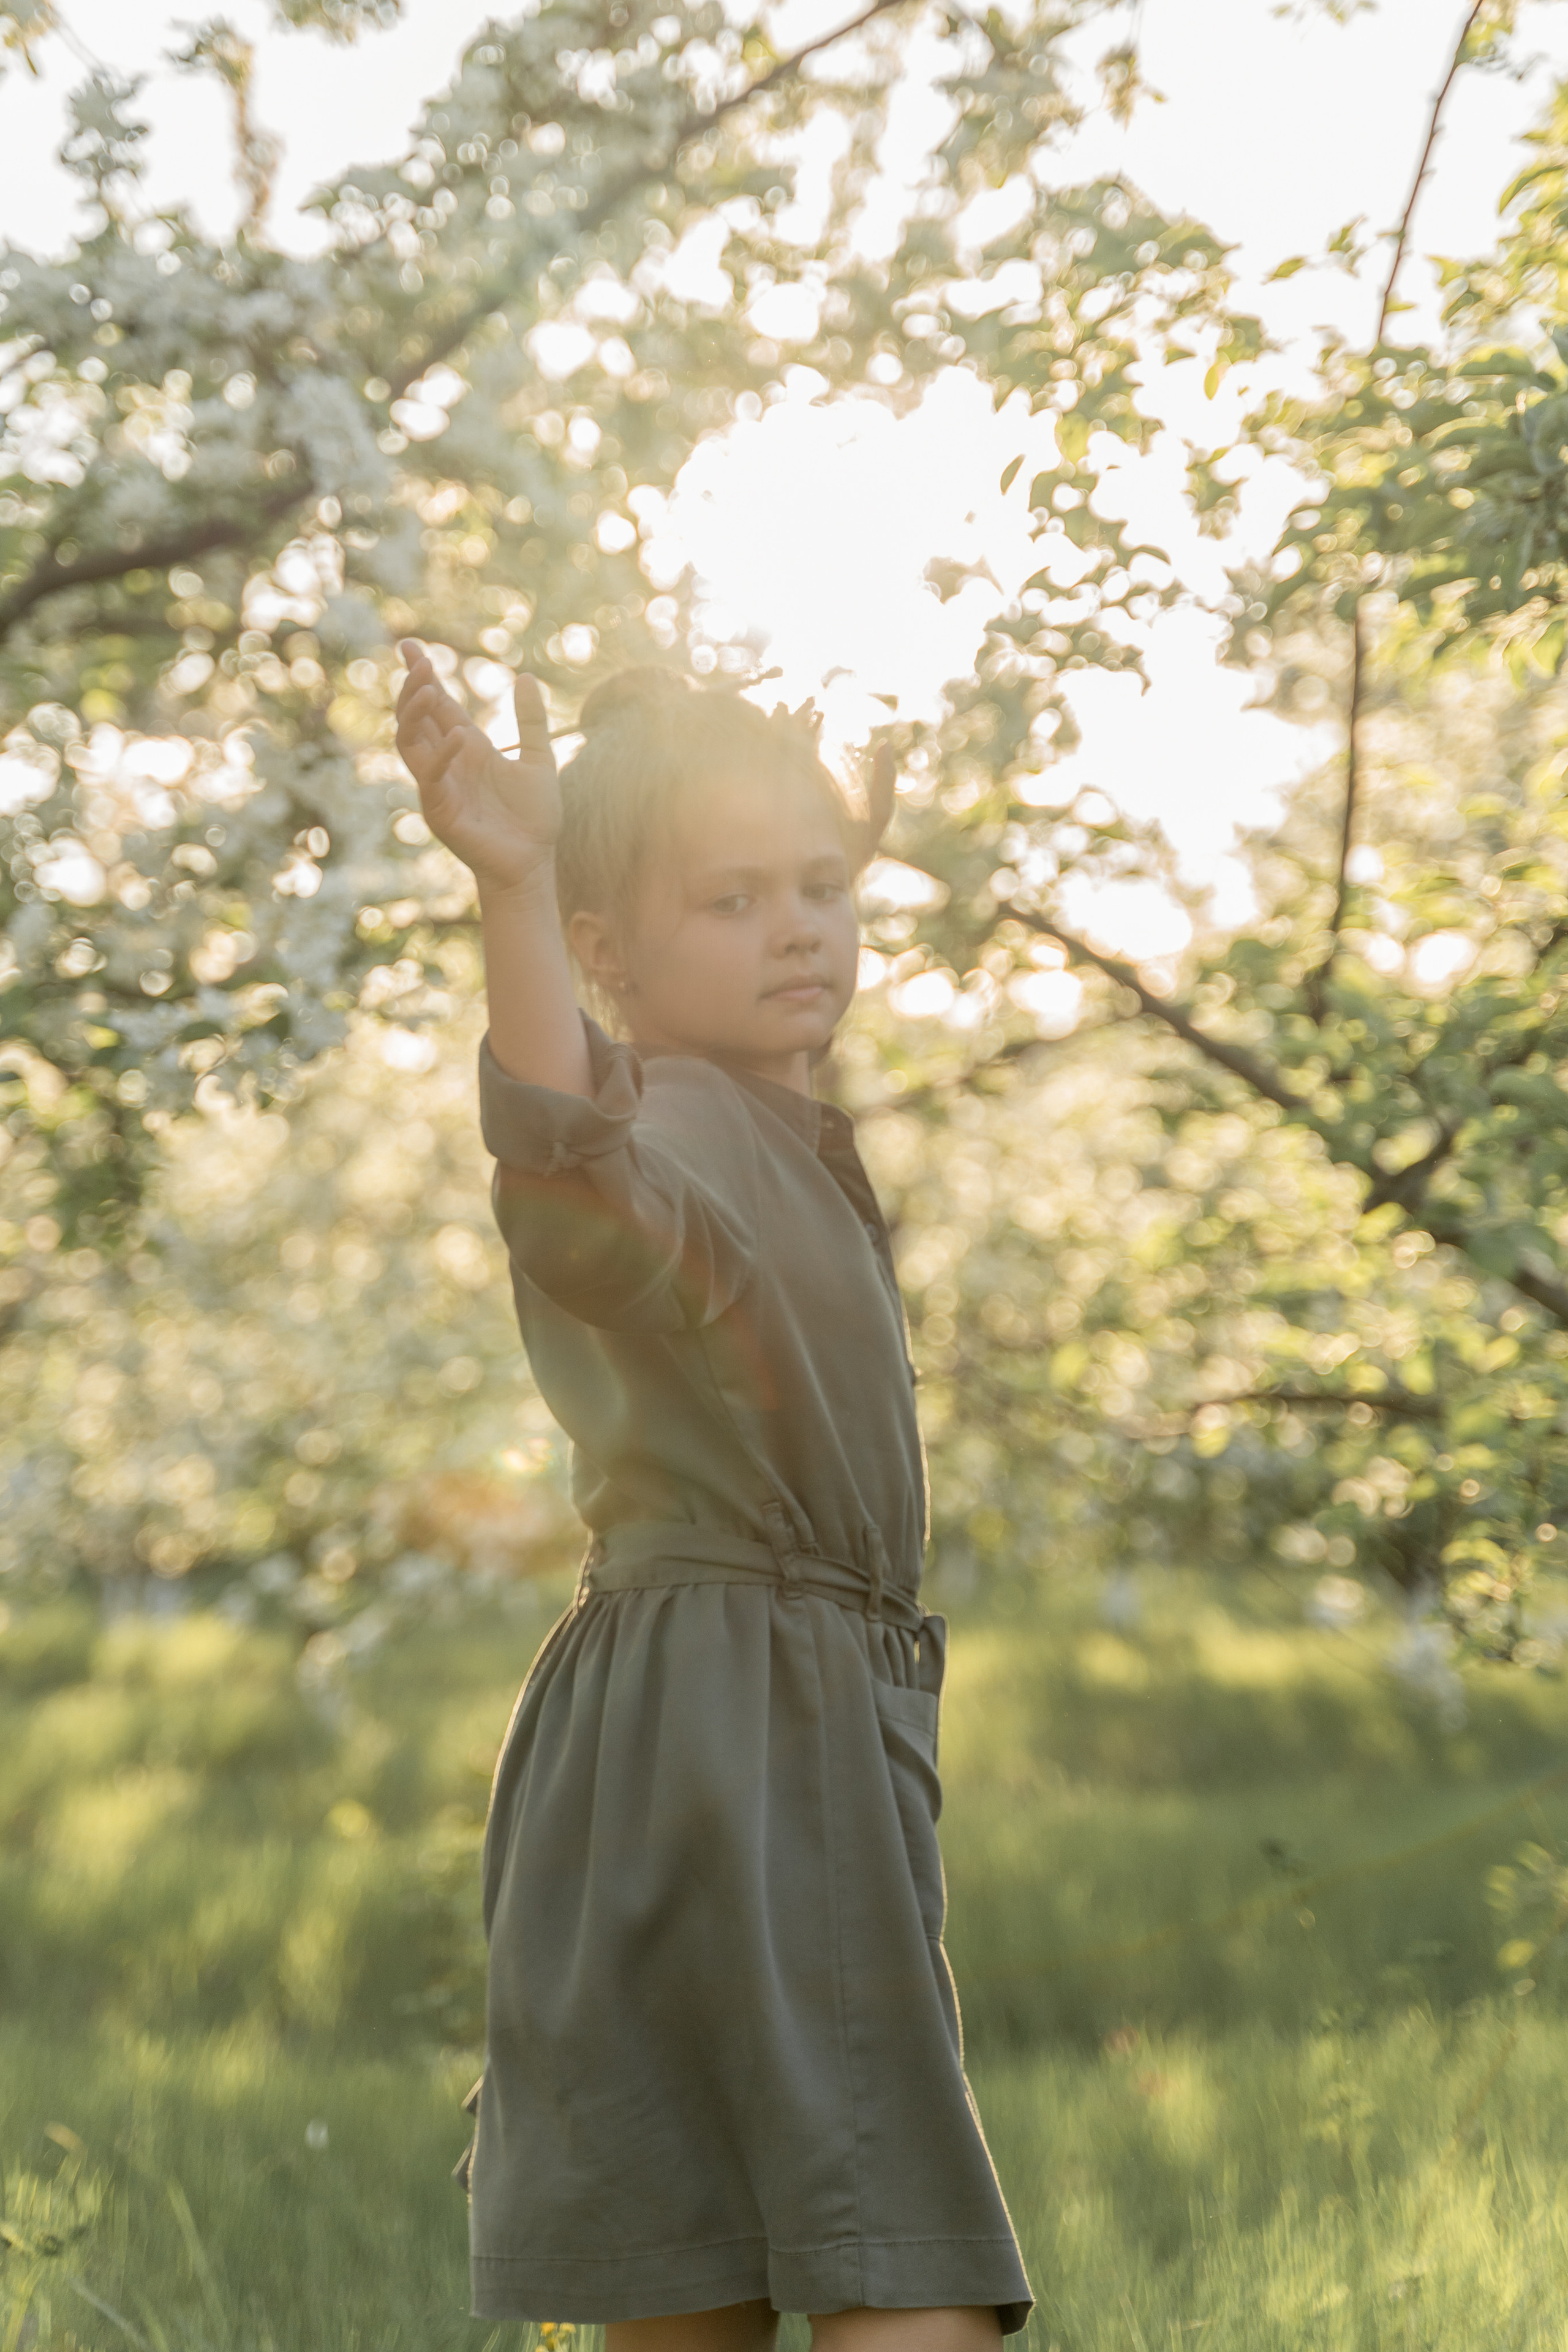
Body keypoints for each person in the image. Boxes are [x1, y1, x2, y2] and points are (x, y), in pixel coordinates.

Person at [394, 643, 1032, 2351]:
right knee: (899, 2275)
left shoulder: (777, 1124)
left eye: (823, 886)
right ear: (608, 954)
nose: (802, 928)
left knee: (696, 2276)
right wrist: (517, 893)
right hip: (745, 1722)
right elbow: (567, 1165)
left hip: (698, 1725)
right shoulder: (677, 1120)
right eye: (733, 900)